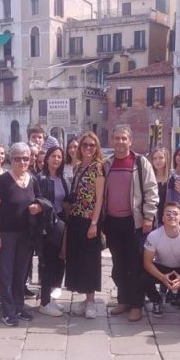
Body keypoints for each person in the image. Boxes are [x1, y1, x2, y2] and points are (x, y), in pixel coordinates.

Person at [102, 125, 159, 322]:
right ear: (112, 141)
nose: (120, 142)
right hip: (112, 222)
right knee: (118, 265)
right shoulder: (107, 164)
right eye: (117, 138)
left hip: (134, 223)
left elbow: (151, 191)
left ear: (130, 141)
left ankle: (136, 305)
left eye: (123, 138)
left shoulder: (140, 162)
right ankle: (123, 300)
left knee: (135, 265)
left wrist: (149, 216)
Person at [0, 142, 42, 326]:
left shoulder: (32, 179)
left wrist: (39, 207)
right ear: (11, 160)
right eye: (18, 158)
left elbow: (39, 199)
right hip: (6, 234)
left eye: (25, 158)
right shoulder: (3, 180)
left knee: (21, 273)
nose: (22, 162)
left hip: (26, 234)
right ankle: (8, 311)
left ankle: (19, 306)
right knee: (6, 273)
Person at [65, 132, 105, 318]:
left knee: (90, 260)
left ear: (96, 148)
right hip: (75, 218)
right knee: (78, 259)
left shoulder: (98, 168)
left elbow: (99, 198)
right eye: (85, 145)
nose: (88, 148)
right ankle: (85, 299)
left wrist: (94, 223)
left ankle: (91, 301)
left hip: (89, 219)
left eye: (92, 145)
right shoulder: (78, 167)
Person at [142, 202, 180, 319]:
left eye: (175, 214)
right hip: (161, 267)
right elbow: (147, 263)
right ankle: (156, 300)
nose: (172, 216)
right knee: (143, 277)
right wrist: (162, 277)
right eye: (168, 214)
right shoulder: (153, 236)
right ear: (163, 218)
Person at [36, 145, 69, 317]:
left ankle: (49, 298)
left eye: (59, 157)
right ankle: (44, 302)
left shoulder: (61, 178)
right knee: (47, 263)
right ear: (47, 158)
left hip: (60, 225)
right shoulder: (40, 178)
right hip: (46, 226)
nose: (56, 159)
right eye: (53, 156)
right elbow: (39, 201)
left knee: (57, 262)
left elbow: (65, 201)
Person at [150, 147, 170, 224]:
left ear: (166, 159)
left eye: (161, 158)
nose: (157, 161)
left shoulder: (172, 179)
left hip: (167, 219)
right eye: (154, 158)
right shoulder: (148, 178)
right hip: (151, 218)